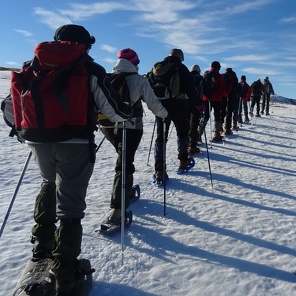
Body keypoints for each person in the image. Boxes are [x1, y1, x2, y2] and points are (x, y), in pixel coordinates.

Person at [14, 24, 134, 295]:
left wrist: (25, 131)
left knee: (48, 183)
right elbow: (112, 110)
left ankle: (41, 244)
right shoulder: (90, 68)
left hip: (37, 139)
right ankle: (66, 271)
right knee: (70, 205)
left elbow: (13, 104)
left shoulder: (32, 65)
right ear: (85, 45)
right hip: (75, 141)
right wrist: (127, 115)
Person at [99, 48, 168, 225]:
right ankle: (118, 208)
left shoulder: (107, 78)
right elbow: (153, 103)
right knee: (125, 162)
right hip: (130, 126)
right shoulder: (139, 80)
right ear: (134, 63)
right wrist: (164, 114)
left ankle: (125, 190)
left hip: (107, 125)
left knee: (123, 158)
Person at [148, 48, 200, 179]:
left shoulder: (158, 67)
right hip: (178, 105)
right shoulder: (181, 68)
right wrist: (198, 102)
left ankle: (159, 169)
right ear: (180, 57)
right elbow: (190, 87)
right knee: (182, 132)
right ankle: (183, 160)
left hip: (160, 106)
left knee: (161, 136)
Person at [203, 61, 228, 142]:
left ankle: (198, 135)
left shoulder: (206, 74)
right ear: (218, 67)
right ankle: (216, 135)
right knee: (217, 117)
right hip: (217, 99)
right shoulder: (219, 76)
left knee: (205, 116)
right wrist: (226, 94)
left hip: (207, 98)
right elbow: (221, 89)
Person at [188, 64, 205, 155]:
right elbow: (202, 91)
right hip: (196, 104)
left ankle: (185, 144)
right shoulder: (200, 79)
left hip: (185, 103)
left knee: (186, 123)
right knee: (194, 125)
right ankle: (193, 146)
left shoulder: (187, 76)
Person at [223, 67, 240, 135]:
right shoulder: (233, 75)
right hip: (231, 95)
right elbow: (236, 86)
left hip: (223, 95)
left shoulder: (223, 75)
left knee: (222, 111)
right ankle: (227, 129)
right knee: (229, 112)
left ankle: (220, 128)